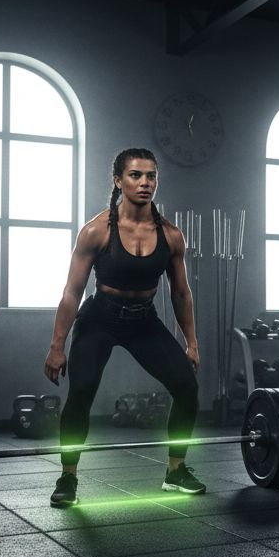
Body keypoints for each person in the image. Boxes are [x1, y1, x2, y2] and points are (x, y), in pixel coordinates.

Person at [42, 148, 201, 507]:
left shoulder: (172, 236)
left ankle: (176, 472)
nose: (145, 183)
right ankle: (67, 477)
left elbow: (180, 292)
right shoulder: (96, 231)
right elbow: (72, 291)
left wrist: (191, 341)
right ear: (118, 181)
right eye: (135, 175)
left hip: (143, 321)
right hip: (100, 318)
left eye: (151, 176)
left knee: (187, 387)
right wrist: (57, 345)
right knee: (81, 389)